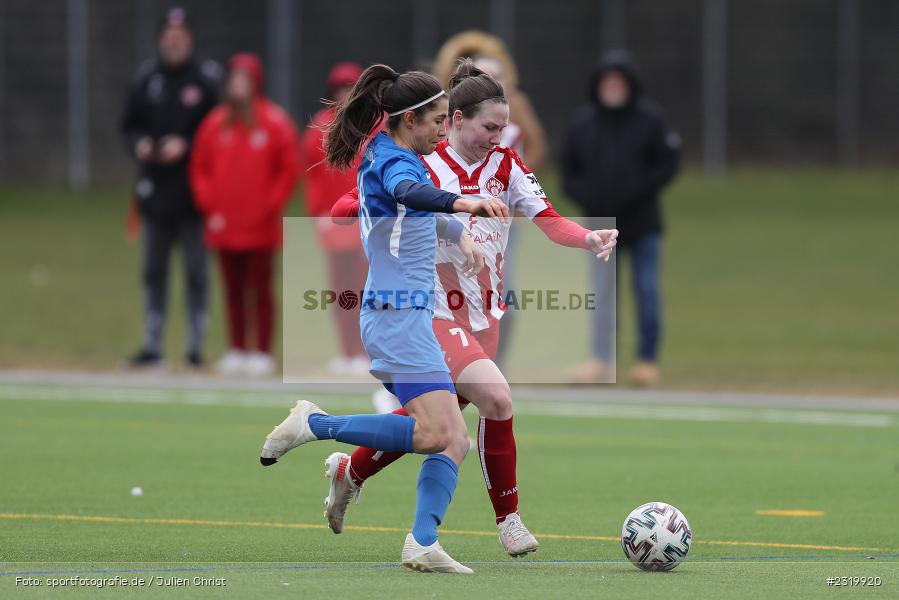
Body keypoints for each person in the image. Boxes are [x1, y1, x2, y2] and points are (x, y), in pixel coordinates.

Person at [325, 60, 618, 557]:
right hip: (433, 313)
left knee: (436, 427)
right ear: (456, 120)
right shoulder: (421, 160)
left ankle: (350, 471)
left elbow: (548, 219)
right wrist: (374, 206)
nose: (497, 137)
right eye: (489, 128)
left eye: (503, 128)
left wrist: (588, 237)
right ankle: (509, 520)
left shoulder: (507, 165)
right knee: (497, 400)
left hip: (483, 316)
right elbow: (345, 206)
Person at [258, 63, 510, 574]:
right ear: (409, 120)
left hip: (406, 316)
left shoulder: (385, 151)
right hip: (397, 317)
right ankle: (316, 424)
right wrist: (465, 203)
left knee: (453, 437)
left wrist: (457, 233)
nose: (443, 130)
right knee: (437, 435)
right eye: (437, 120)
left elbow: (412, 212)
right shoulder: (397, 163)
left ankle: (422, 542)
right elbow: (408, 194)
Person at [561, 50, 681, 385]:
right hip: (600, 227)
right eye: (607, 81)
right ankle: (601, 359)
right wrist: (590, 199)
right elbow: (568, 171)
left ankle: (647, 360)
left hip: (643, 223)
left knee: (646, 289)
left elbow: (668, 163)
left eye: (619, 81)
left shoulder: (650, 120)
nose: (613, 87)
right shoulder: (582, 123)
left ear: (630, 85)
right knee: (601, 294)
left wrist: (637, 191)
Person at [433, 31, 549, 369]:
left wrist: (515, 188)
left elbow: (534, 149)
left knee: (500, 296)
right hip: (452, 218)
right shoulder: (451, 116)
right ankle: (441, 366)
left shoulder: (514, 113)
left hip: (497, 222)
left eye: (497, 77)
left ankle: (491, 366)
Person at [120, 7, 221, 369]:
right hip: (154, 194)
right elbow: (128, 126)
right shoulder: (146, 79)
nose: (174, 41)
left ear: (189, 39)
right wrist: (140, 145)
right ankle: (152, 344)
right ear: (162, 39)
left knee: (196, 272)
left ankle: (195, 346)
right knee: (153, 271)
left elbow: (217, 131)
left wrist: (187, 145)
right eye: (169, 35)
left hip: (193, 196)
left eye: (180, 36)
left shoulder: (206, 80)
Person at [189, 53, 300, 377]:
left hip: (260, 226)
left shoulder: (274, 122)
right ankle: (237, 347)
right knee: (232, 289)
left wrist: (269, 206)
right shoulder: (214, 123)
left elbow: (287, 170)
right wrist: (210, 205)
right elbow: (200, 168)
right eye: (234, 79)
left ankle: (262, 351)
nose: (238, 85)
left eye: (245, 79)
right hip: (224, 224)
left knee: (260, 289)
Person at [299, 62, 370, 377]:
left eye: (350, 88)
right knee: (341, 289)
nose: (345, 95)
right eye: (340, 88)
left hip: (367, 220)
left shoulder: (373, 126)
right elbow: (312, 176)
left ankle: (365, 351)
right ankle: (346, 351)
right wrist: (318, 213)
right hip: (335, 220)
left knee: (365, 287)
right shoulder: (320, 127)